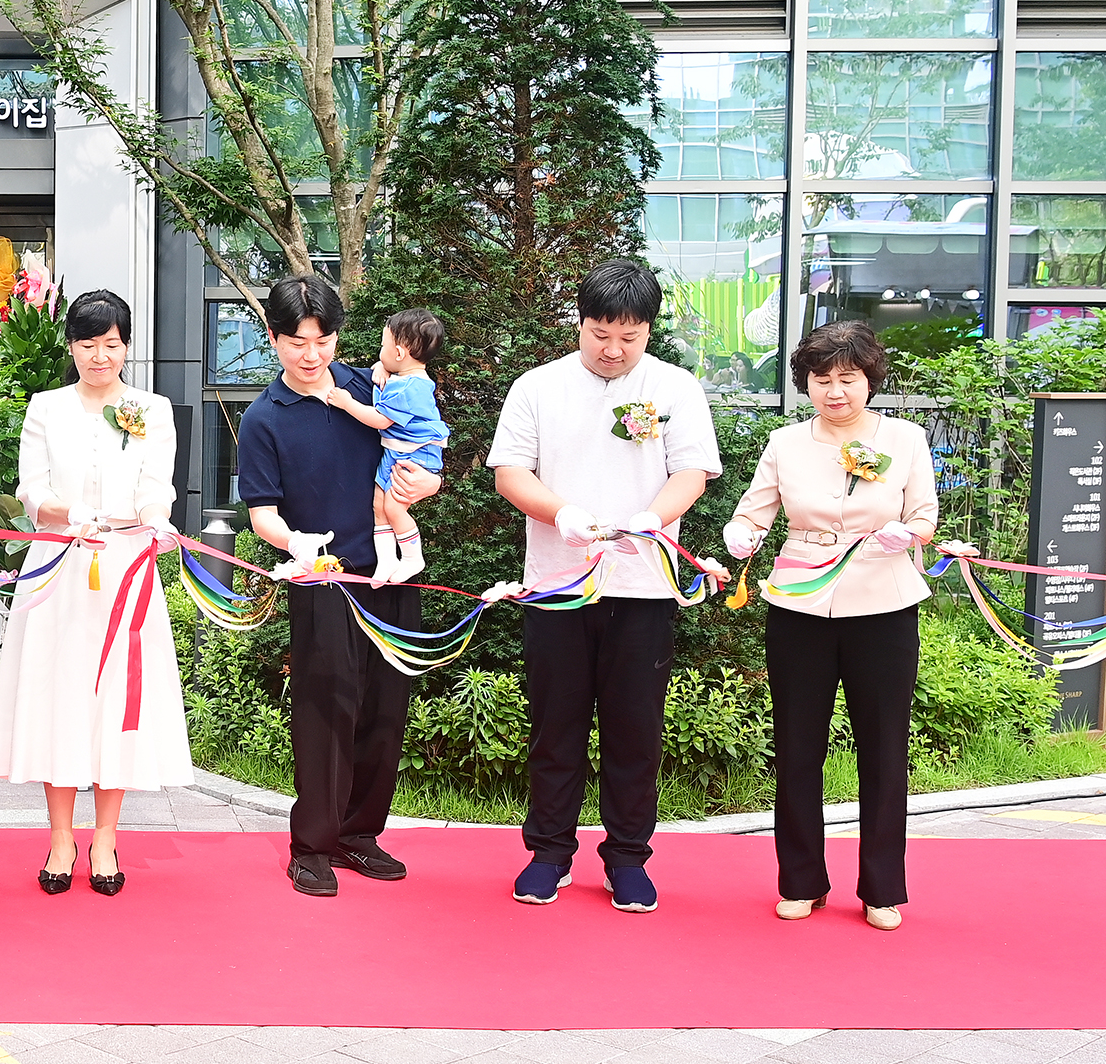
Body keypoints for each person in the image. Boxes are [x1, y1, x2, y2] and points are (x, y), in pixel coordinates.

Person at [489, 259, 721, 914]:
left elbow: (693, 472)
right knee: (554, 725)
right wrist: (562, 513)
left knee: (633, 731)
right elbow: (510, 471)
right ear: (580, 322)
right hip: (557, 586)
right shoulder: (538, 387)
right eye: (599, 333)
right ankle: (549, 852)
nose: (613, 349)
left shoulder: (675, 387)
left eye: (629, 336)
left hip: (642, 588)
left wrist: (653, 516)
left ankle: (626, 858)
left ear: (648, 329)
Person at [722, 321, 937, 931]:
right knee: (796, 746)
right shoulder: (786, 443)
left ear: (870, 379)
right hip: (799, 604)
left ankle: (882, 887)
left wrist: (909, 532)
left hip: (884, 602)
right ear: (805, 383)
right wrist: (741, 536)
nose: (835, 391)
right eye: (822, 379)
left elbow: (923, 516)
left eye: (848, 378)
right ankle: (800, 880)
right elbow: (753, 512)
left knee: (884, 747)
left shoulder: (908, 438)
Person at [0, 289, 193, 896]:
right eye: (88, 344)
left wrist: (157, 520)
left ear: (127, 345)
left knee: (114, 700)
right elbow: (31, 491)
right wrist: (73, 514)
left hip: (126, 568)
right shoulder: (46, 407)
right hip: (61, 565)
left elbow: (158, 485)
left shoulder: (151, 409)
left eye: (112, 344)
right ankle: (59, 836)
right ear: (70, 347)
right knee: (59, 694)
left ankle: (105, 835)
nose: (100, 356)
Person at [237, 274, 442, 897]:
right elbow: (262, 515)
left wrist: (426, 486)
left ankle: (360, 834)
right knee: (326, 708)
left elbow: (425, 446)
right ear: (272, 338)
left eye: (324, 340)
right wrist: (293, 542)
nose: (312, 355)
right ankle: (314, 844)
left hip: (389, 571)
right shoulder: (264, 418)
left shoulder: (370, 386)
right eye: (297, 341)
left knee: (386, 706)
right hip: (323, 578)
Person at [322, 307, 449, 584]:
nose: (380, 351)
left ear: (400, 353)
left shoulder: (409, 389)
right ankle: (387, 559)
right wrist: (382, 365)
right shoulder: (403, 377)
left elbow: (380, 419)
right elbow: (386, 376)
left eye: (383, 346)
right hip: (397, 452)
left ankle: (413, 558)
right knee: (379, 504)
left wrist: (347, 403)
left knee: (393, 508)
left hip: (414, 457)